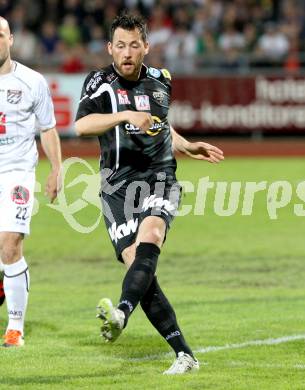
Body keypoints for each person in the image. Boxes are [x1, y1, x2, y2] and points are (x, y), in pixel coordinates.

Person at [75, 13, 224, 374]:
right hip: (116, 185)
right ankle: (184, 354)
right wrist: (123, 115)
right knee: (136, 265)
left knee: (152, 235)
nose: (127, 53)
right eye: (120, 46)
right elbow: (81, 125)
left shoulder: (160, 80)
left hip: (159, 177)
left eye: (134, 45)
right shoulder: (99, 82)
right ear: (110, 48)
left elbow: (161, 124)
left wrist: (186, 145)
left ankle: (121, 314)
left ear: (146, 47)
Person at [0, 17, 62, 347]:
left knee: (10, 244)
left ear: (10, 38)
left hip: (17, 173)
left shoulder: (31, 81)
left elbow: (48, 127)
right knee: (2, 253)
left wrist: (56, 169)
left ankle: (15, 328)